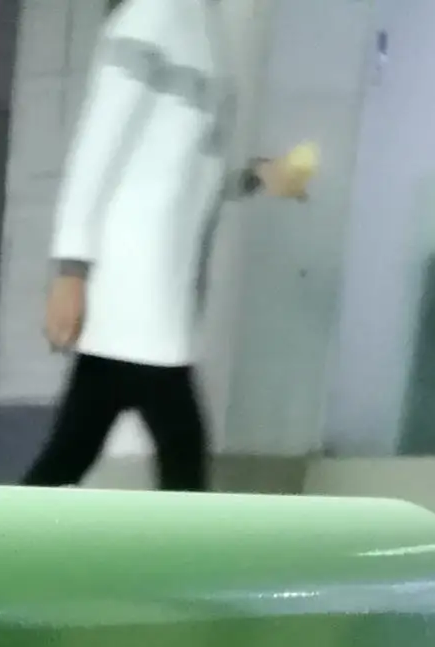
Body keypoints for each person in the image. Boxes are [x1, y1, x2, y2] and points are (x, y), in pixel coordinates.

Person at [25, 0, 312, 491]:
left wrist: (258, 175)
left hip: (159, 295)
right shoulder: (153, 16)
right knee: (174, 458)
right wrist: (71, 270)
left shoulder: (203, 26)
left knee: (74, 452)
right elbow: (97, 147)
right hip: (133, 286)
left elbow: (192, 168)